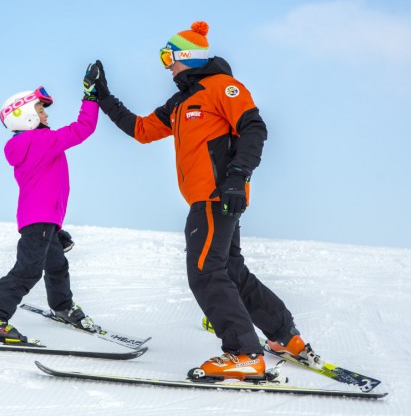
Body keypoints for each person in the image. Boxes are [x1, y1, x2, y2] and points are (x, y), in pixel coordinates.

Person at [91, 22, 311, 380]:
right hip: (206, 198)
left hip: (217, 195)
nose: (166, 67)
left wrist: (238, 177)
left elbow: (254, 127)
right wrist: (104, 97)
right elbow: (142, 130)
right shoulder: (181, 102)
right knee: (230, 271)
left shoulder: (221, 86)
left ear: (188, 56)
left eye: (168, 58)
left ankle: (244, 354)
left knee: (205, 272)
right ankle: (286, 337)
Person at [0, 63, 102, 344]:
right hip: (40, 220)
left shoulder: (30, 143)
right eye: (41, 110)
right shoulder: (40, 141)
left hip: (44, 220)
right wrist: (90, 96)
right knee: (28, 270)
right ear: (26, 116)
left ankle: (62, 306)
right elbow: (83, 128)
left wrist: (55, 228)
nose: (46, 115)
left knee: (57, 265)